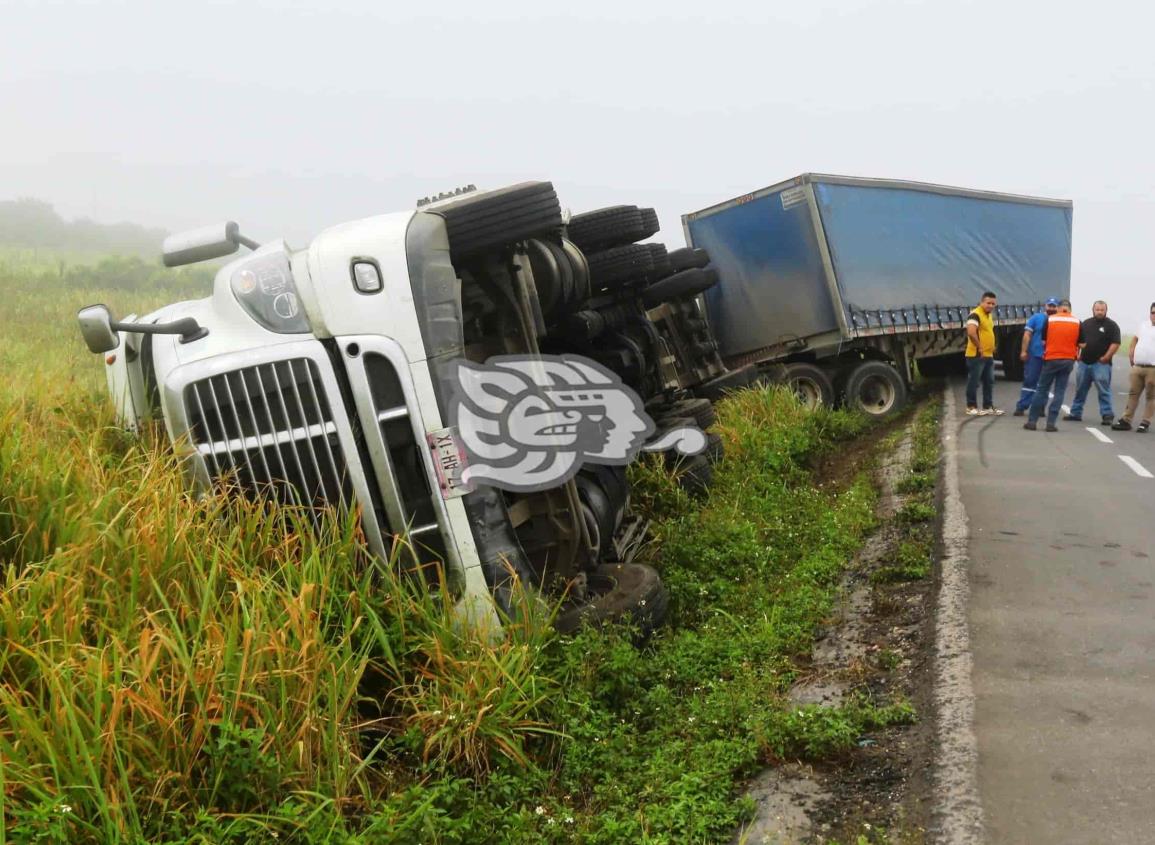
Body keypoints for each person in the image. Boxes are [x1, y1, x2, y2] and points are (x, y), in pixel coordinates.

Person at [1025, 299, 1082, 431]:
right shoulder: (1077, 322)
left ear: (1058, 308)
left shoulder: (1049, 320)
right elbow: (1082, 344)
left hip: (1051, 358)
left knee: (1041, 389)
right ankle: (1051, 424)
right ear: (1070, 309)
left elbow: (1044, 341)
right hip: (1068, 360)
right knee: (1059, 391)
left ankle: (1032, 422)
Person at [1064, 300, 1121, 424]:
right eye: (1097, 309)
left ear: (1106, 310)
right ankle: (1075, 413)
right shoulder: (1086, 323)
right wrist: (1077, 354)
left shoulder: (1112, 325)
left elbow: (1115, 343)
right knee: (1080, 390)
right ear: (1093, 310)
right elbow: (1078, 340)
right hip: (1084, 363)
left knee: (1103, 391)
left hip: (1101, 364)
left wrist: (1106, 357)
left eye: (1102, 310)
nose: (1099, 312)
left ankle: (1107, 415)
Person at [1111, 302, 1155, 433]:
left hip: (1153, 368)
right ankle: (1126, 420)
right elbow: (1135, 339)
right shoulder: (1143, 325)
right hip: (1138, 366)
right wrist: (1131, 352)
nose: (1154, 315)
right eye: (1153, 312)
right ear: (1150, 313)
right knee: (1133, 394)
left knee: (1151, 396)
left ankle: (1145, 422)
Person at [1013, 298, 1059, 416]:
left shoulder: (1058, 321)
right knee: (1030, 381)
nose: (1052, 309)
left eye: (1054, 306)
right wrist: (1023, 351)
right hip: (1035, 355)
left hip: (1051, 357)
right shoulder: (1036, 318)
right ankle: (1022, 406)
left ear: (1058, 308)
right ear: (1045, 306)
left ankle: (1040, 407)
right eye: (1050, 306)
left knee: (1044, 384)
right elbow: (1027, 335)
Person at [965, 291, 1004, 416]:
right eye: (988, 303)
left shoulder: (988, 315)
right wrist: (980, 347)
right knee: (974, 381)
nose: (991, 306)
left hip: (988, 355)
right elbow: (971, 332)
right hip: (976, 354)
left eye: (993, 304)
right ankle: (971, 406)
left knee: (989, 381)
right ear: (982, 302)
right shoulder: (975, 315)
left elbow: (988, 331)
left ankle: (987, 406)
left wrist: (992, 346)